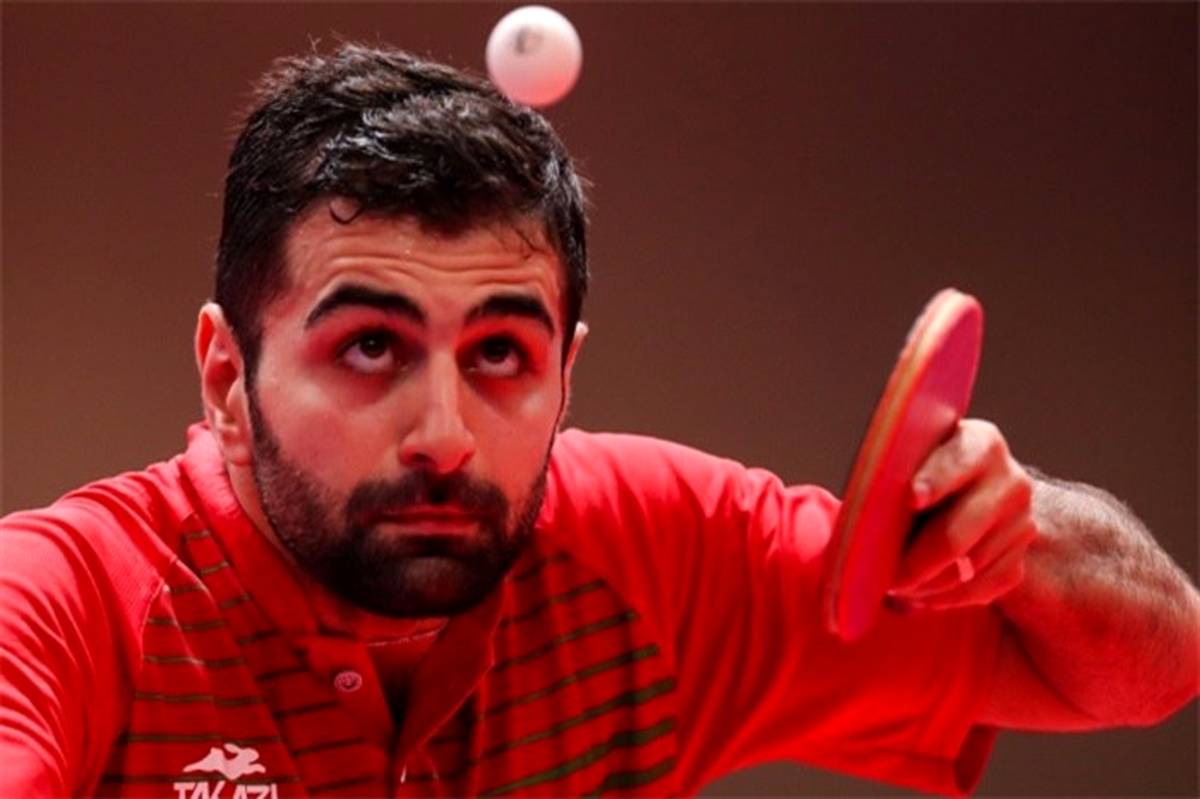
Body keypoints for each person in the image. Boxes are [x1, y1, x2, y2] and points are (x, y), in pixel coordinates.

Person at [1, 42, 1196, 798]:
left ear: (567, 377)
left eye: (501, 355)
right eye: (370, 346)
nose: (445, 432)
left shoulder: (654, 555)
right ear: (227, 377)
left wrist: (1021, 535)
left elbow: (1151, 672)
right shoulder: (66, 605)